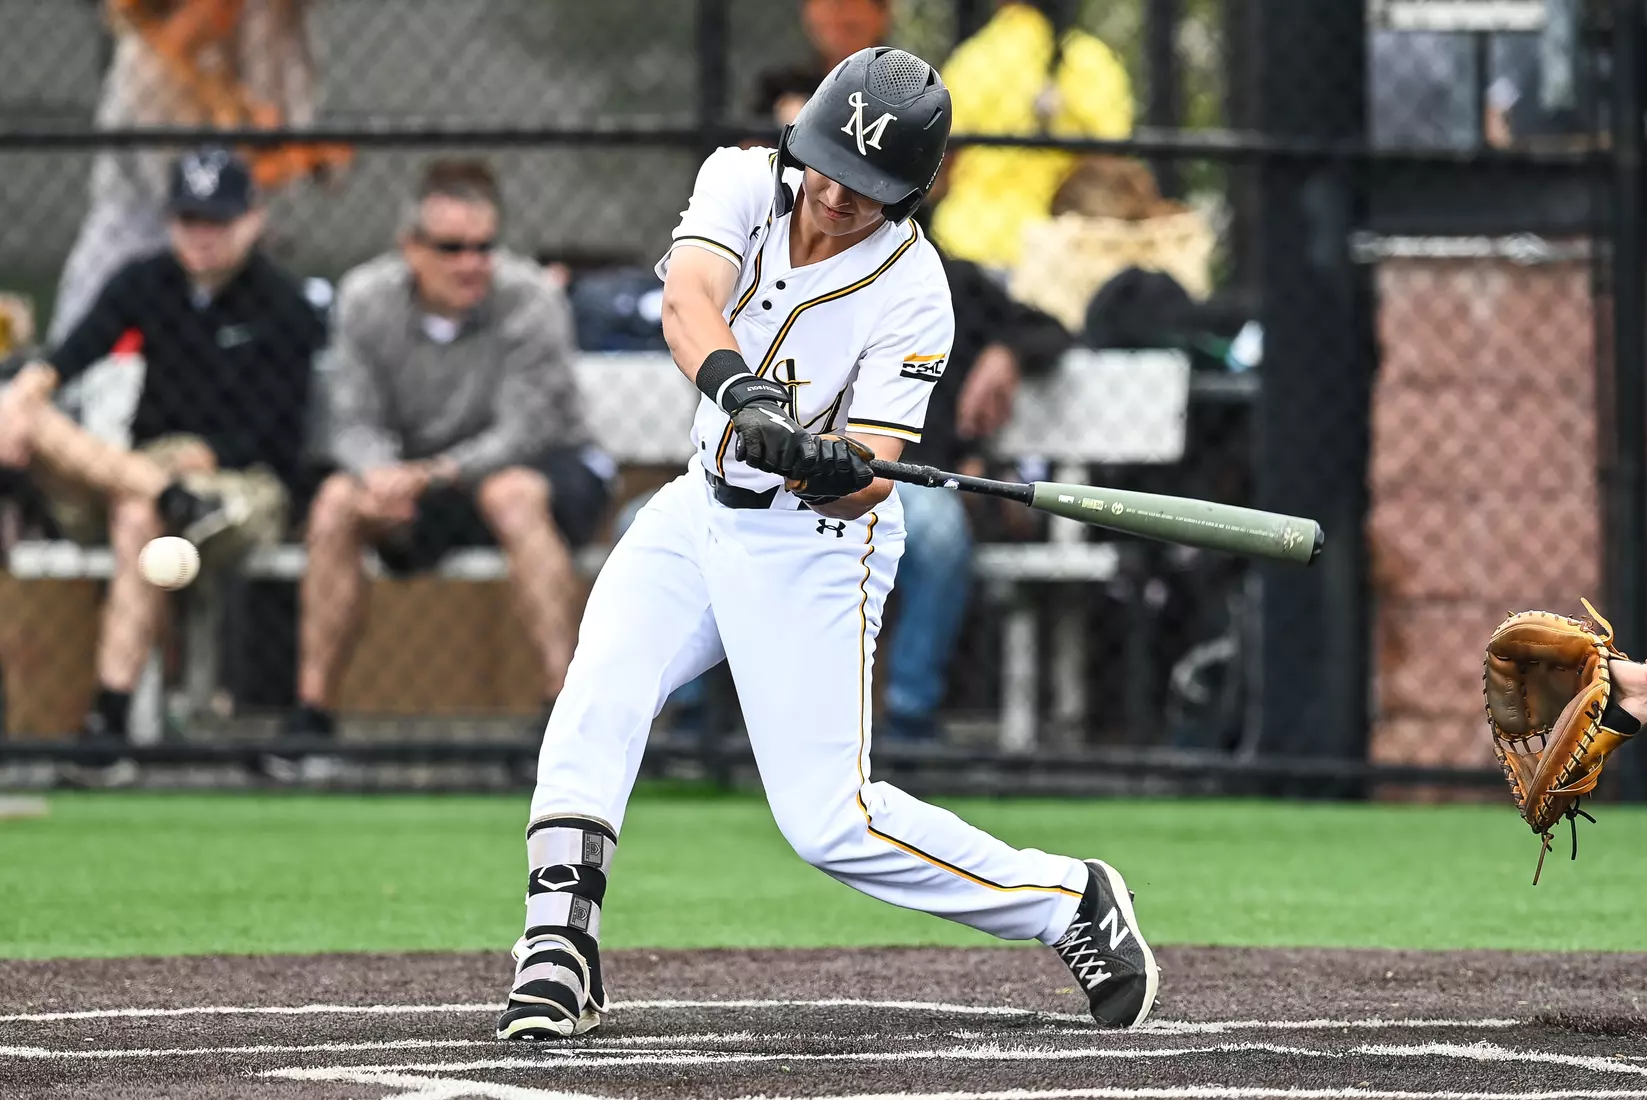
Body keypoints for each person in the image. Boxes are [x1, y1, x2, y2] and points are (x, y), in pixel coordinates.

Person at [495, 47, 1158, 1043]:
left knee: (829, 821)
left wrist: (829, 465)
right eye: (830, 169)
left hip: (812, 546)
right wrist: (743, 395)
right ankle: (558, 943)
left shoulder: (914, 288)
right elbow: (689, 305)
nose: (838, 197)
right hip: (696, 507)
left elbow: (878, 472)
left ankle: (1068, 900)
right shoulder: (740, 179)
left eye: (868, 187)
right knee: (600, 688)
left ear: (910, 190)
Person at [0, 146, 322, 755]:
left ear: (253, 219)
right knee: (38, 424)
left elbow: (279, 437)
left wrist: (200, 456)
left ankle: (109, 720)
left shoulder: (283, 303)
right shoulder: (145, 280)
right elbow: (70, 356)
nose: (201, 237)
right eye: (188, 220)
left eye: (217, 222)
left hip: (238, 485)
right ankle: (113, 718)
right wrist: (24, 396)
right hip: (146, 473)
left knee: (135, 512)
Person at [289, 160, 611, 742]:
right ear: (409, 248)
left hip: (543, 470)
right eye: (451, 247)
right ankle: (310, 721)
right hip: (419, 484)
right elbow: (351, 420)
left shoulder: (530, 298)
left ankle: (567, 725)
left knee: (509, 493)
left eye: (483, 247)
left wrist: (430, 473)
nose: (471, 263)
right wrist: (380, 476)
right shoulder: (365, 298)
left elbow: (525, 431)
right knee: (338, 500)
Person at [50, 0, 345, 345]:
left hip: (222, 254)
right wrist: (294, 157)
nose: (228, 13)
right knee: (88, 362)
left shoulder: (222, 56)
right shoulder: (146, 66)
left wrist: (287, 148)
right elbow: (192, 189)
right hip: (136, 239)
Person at [928, 0, 1133, 272]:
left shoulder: (974, 59)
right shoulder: (1089, 60)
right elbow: (1113, 162)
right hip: (1060, 252)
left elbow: (939, 162)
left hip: (966, 244)